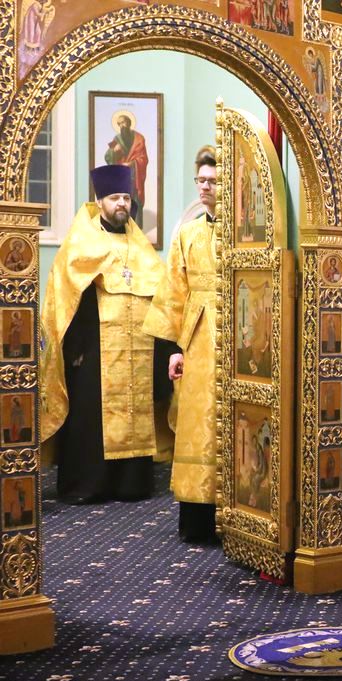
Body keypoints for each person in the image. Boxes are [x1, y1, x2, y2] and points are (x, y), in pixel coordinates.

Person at [41, 164, 174, 504]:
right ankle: (90, 485)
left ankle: (131, 484)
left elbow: (160, 296)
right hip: (94, 350)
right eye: (115, 198)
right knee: (92, 419)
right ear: (99, 201)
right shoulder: (81, 242)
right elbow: (68, 297)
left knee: (134, 413)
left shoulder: (139, 245)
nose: (122, 204)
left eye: (126, 198)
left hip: (137, 349)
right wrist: (76, 348)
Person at [143, 146, 221, 543]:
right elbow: (174, 291)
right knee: (196, 423)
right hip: (196, 339)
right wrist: (174, 348)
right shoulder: (187, 234)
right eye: (200, 181)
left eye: (213, 181)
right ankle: (197, 518)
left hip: (237, 334)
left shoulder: (248, 234)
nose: (205, 188)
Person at [104, 114, 151, 229]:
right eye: (119, 124)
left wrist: (132, 163)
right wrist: (114, 151)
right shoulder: (117, 139)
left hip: (135, 176)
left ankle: (137, 229)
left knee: (136, 201)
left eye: (123, 122)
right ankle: (123, 229)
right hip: (122, 176)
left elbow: (144, 159)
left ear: (129, 123)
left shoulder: (139, 139)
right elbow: (107, 157)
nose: (122, 126)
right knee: (122, 202)